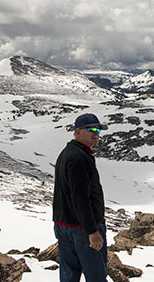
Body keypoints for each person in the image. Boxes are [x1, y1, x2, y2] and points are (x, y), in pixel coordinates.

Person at [53, 113, 109, 282]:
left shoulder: (67, 153)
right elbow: (80, 197)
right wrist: (92, 231)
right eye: (91, 129)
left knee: (69, 275)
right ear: (77, 131)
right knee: (96, 276)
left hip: (64, 224)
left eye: (98, 129)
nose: (96, 133)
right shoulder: (79, 158)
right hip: (82, 229)